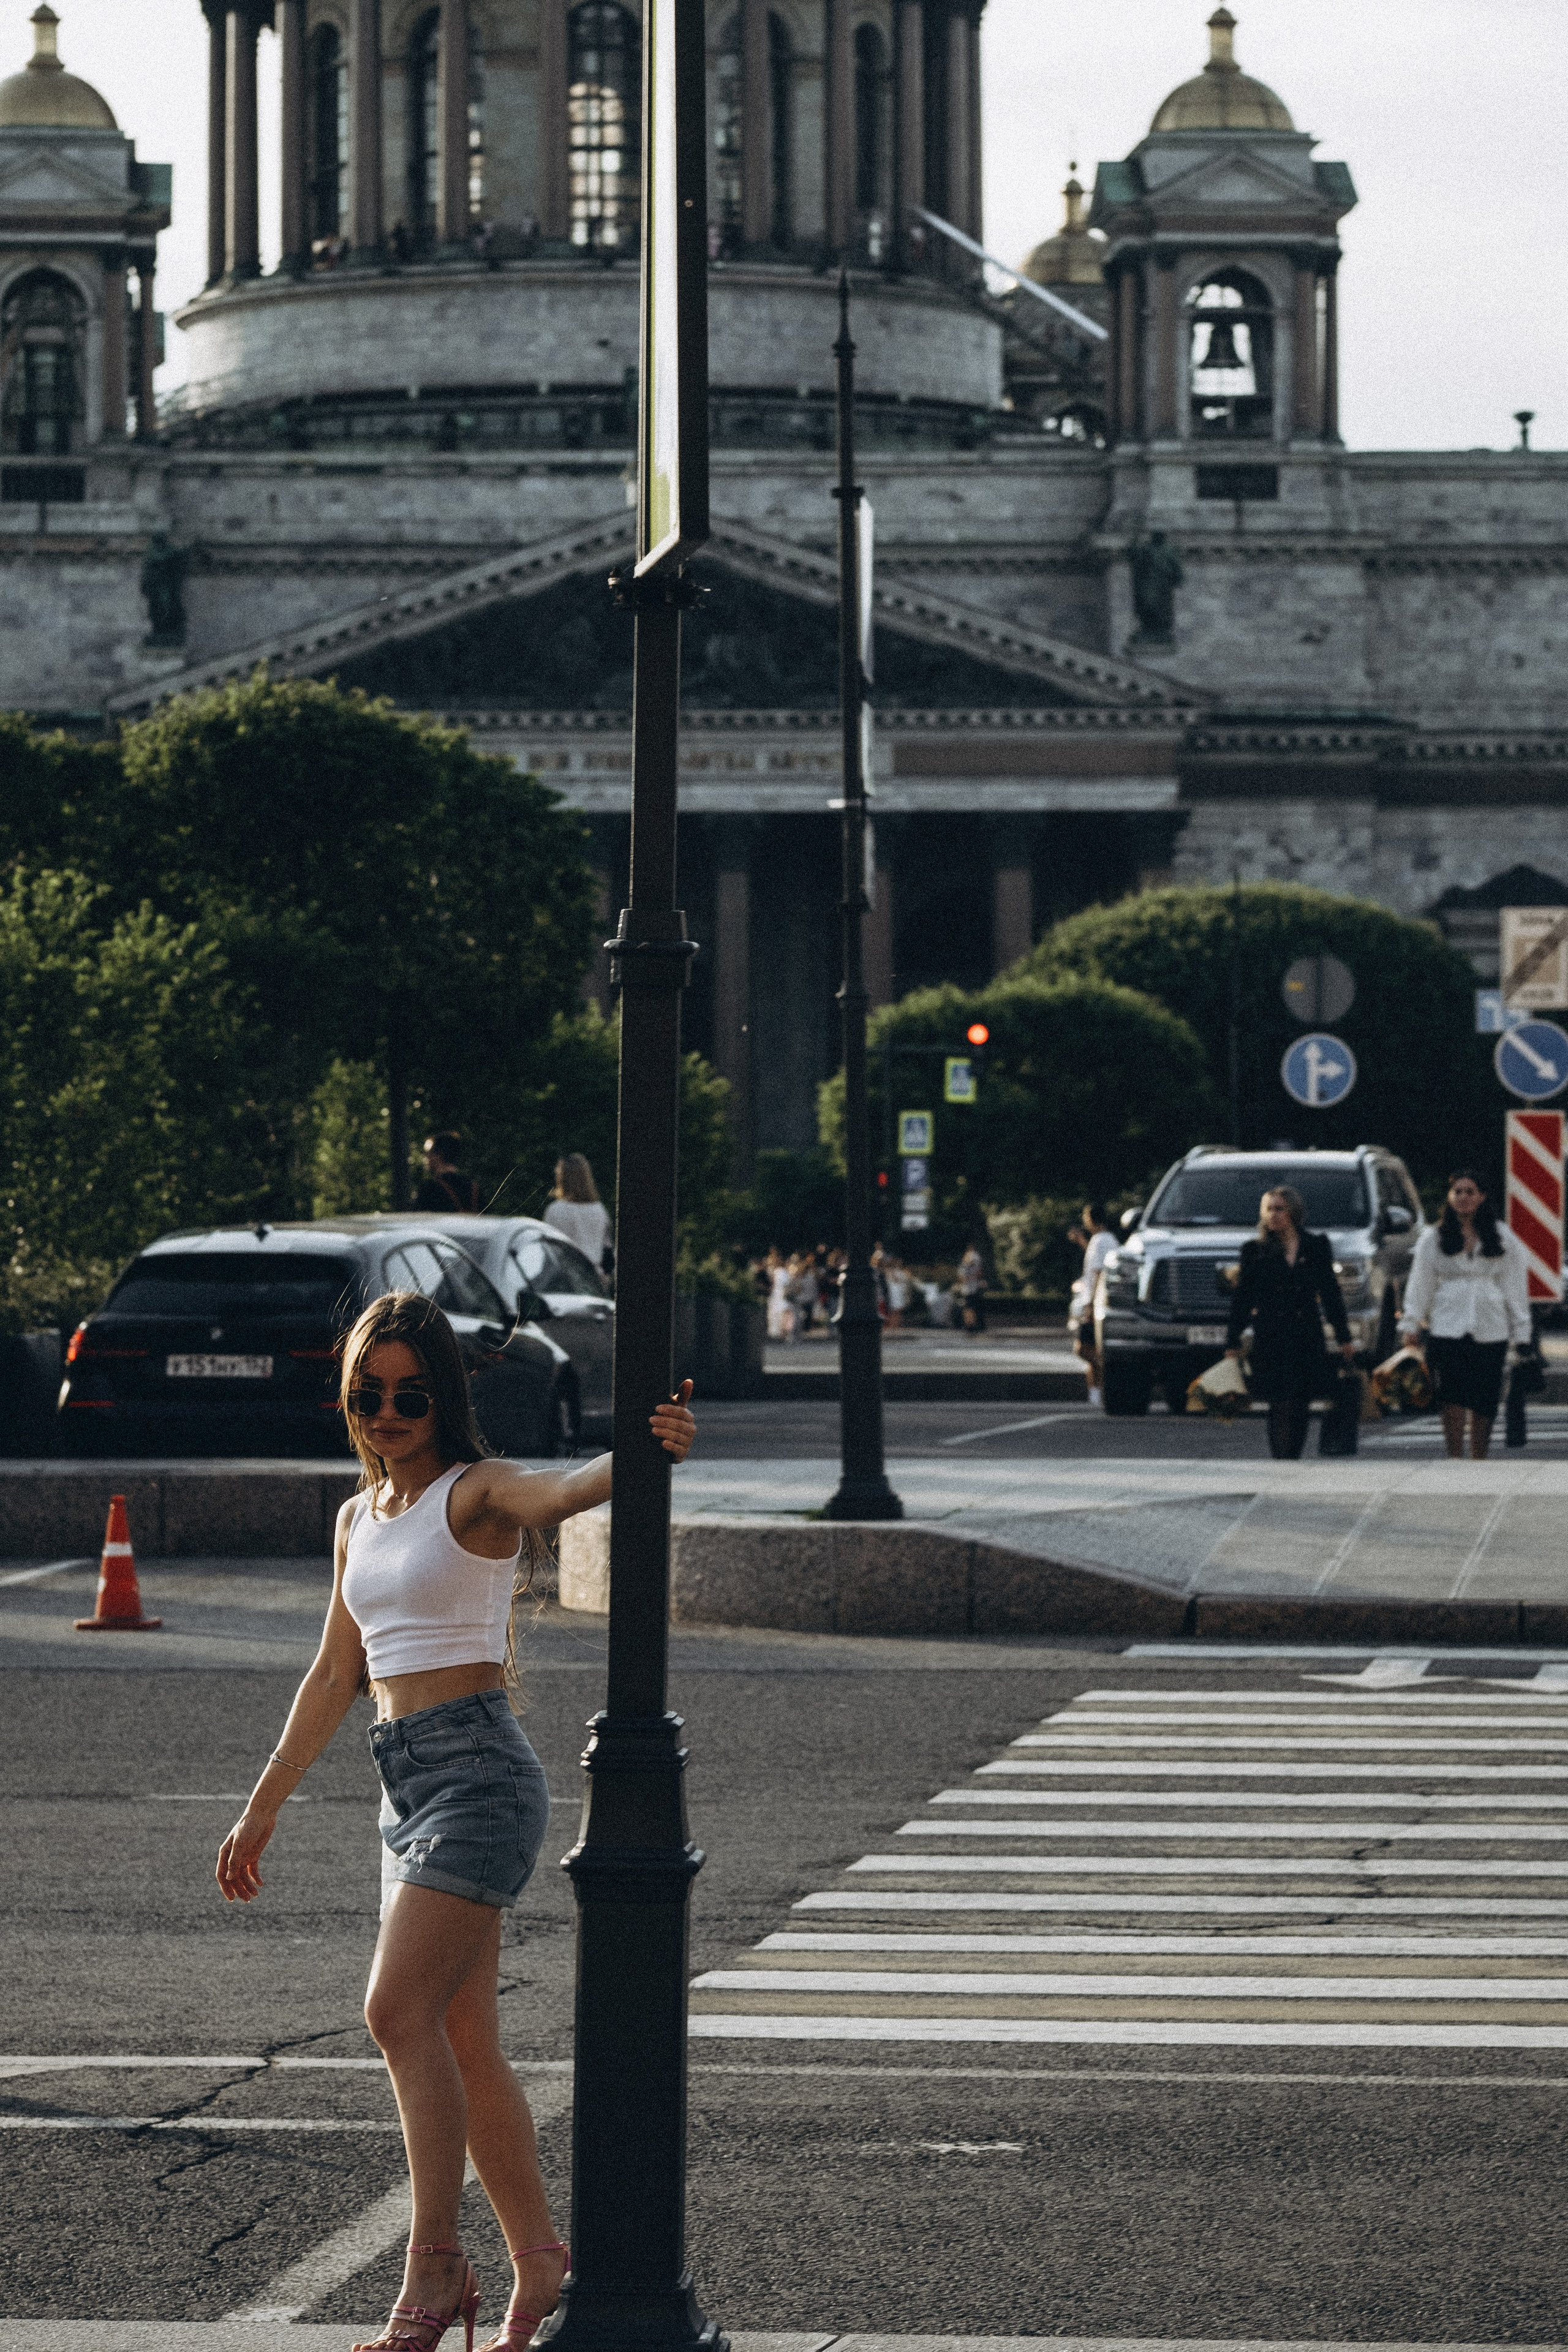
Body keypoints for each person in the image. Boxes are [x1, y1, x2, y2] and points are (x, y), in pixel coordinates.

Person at [216, 1291, 696, 2352]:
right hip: (404, 1781)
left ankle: (434, 2262)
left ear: (444, 1396)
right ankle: (539, 2260)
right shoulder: (358, 1517)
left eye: (411, 1394)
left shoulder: (474, 1493)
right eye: (368, 1395)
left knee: (395, 2013)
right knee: (465, 2040)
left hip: (480, 1776)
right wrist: (262, 1808)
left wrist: (642, 1448)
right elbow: (335, 1673)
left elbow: (559, 1491)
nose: (389, 1414)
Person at [1400, 1167, 1531, 1460]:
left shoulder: (1502, 1236)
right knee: (1451, 1392)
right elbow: (1420, 1283)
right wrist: (1411, 1323)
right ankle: (1455, 1455)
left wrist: (1521, 1329)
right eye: (1457, 1191)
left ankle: (1479, 1454)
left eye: (1470, 1192)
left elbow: (1514, 1285)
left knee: (1486, 1395)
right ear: (1449, 1197)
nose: (1463, 1197)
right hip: (1448, 1324)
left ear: (1482, 1197)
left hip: (1491, 1325)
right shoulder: (1434, 1237)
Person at [1224, 1184, 1355, 1460]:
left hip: (1306, 1334)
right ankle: (1282, 1457)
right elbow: (1243, 1299)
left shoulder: (1316, 1246)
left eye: (1280, 1209)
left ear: (1294, 1212)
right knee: (1280, 1398)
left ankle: (1292, 1454)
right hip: (1272, 1335)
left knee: (1302, 1398)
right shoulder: (1255, 1251)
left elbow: (1330, 1294)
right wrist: (1232, 1340)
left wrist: (1343, 1336)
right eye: (1269, 1209)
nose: (1273, 1215)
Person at [1070, 1202, 1118, 1411]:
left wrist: (1090, 1305)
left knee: (1083, 1350)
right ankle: (1096, 1393)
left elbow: (1098, 1273)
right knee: (1092, 1350)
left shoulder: (1099, 1241)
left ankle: (1107, 1381)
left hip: (1094, 1304)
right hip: (1101, 1303)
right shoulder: (1110, 1240)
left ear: (1091, 1219)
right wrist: (1082, 1242)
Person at [541, 1153, 611, 1275]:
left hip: (564, 1276)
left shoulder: (555, 1210)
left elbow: (548, 1249)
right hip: (594, 1277)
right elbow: (607, 1249)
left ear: (562, 1178)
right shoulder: (599, 1210)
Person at [417, 1133, 480, 1215]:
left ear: (439, 1155)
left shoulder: (429, 1189)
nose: (426, 1157)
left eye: (428, 1153)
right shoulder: (474, 1187)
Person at [956, 1240, 987, 1333]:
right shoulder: (974, 1257)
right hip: (972, 1287)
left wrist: (967, 1279)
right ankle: (973, 1324)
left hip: (969, 1288)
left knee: (969, 1307)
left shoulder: (970, 1258)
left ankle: (971, 1324)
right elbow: (979, 1272)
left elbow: (962, 1275)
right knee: (972, 1306)